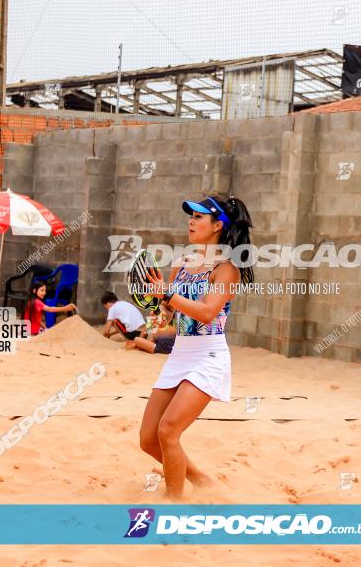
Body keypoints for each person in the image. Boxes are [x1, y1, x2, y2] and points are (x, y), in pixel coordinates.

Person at [138, 194, 254, 499]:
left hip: (208, 356)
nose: (191, 220)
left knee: (168, 431)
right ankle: (201, 480)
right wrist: (153, 317)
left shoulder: (227, 269)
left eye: (199, 216)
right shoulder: (183, 264)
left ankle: (173, 502)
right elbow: (168, 314)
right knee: (148, 439)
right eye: (191, 215)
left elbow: (206, 312)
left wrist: (167, 295)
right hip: (180, 354)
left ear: (217, 225)